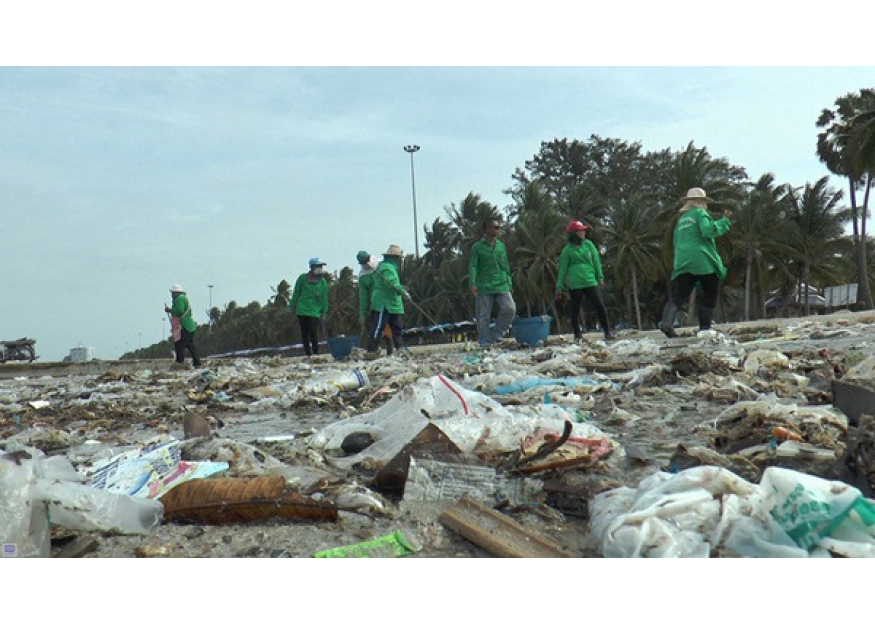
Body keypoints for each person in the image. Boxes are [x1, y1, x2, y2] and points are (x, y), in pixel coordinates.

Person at [659, 187, 733, 338]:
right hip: (701, 258)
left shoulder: (681, 220)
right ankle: (705, 327)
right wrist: (724, 221)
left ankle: (667, 322)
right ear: (702, 202)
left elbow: (675, 241)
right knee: (710, 292)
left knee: (680, 295)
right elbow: (708, 231)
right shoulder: (700, 213)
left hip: (683, 260)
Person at [556, 220, 614, 341]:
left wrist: (600, 277)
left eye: (583, 230)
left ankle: (607, 331)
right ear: (573, 233)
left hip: (590, 281)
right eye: (580, 231)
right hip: (575, 284)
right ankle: (577, 334)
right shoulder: (567, 250)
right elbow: (563, 269)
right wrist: (559, 286)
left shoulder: (589, 245)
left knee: (599, 306)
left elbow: (596, 262)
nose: (583, 233)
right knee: (575, 310)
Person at [468, 218, 516, 348]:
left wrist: (509, 282)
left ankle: (496, 334)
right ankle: (484, 341)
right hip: (484, 286)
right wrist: (472, 283)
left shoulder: (501, 246)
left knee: (510, 309)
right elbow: (473, 266)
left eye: (498, 227)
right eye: (496, 227)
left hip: (501, 283)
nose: (498, 230)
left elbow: (505, 265)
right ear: (488, 229)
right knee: (483, 316)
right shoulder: (477, 247)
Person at [366, 245, 408, 355]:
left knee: (397, 328)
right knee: (378, 328)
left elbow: (394, 283)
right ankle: (371, 350)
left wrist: (401, 288)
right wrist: (401, 291)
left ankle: (400, 349)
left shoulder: (388, 267)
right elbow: (391, 283)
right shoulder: (387, 267)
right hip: (384, 303)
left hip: (393, 304)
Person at [289, 257, 329, 356]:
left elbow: (325, 298)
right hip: (302, 310)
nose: (319, 268)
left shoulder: (323, 282)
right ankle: (308, 354)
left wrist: (324, 312)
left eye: (321, 266)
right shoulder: (302, 278)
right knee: (304, 333)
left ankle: (316, 353)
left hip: (315, 311)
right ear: (312, 268)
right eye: (317, 266)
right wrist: (291, 306)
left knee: (313, 331)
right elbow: (296, 293)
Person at [356, 250, 393, 355]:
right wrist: (362, 314)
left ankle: (391, 349)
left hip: (387, 301)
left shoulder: (380, 265)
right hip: (375, 305)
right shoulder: (363, 277)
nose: (367, 263)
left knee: (389, 327)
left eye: (367, 260)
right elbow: (363, 297)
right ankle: (373, 349)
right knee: (377, 328)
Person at [165, 284, 202, 367]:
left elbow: (179, 311)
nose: (172, 295)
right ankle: (197, 363)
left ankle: (179, 363)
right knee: (191, 346)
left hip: (184, 326)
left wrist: (170, 310)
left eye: (172, 293)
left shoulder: (180, 299)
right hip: (189, 326)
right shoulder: (183, 298)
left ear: (176, 293)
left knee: (179, 345)